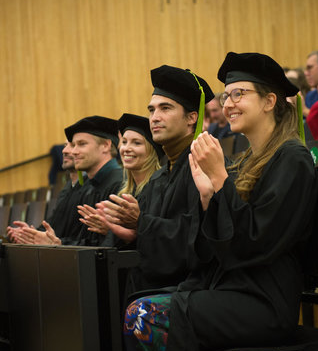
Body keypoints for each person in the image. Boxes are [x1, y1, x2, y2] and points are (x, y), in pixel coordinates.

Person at [123, 52, 318, 351]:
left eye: (239, 93)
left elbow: (255, 242)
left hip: (265, 301)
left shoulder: (292, 158)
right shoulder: (250, 160)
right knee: (138, 304)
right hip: (235, 289)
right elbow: (216, 245)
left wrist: (219, 181)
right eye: (226, 95)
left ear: (269, 101)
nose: (227, 104)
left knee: (144, 314)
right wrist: (207, 198)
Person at [97, 65, 215, 294]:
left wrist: (141, 223)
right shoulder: (160, 176)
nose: (154, 117)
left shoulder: (204, 166)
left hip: (191, 291)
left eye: (165, 108)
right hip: (157, 283)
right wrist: (130, 232)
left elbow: (197, 239)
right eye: (151, 110)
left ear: (192, 117)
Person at [14, 116, 123, 246]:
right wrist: (39, 237)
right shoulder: (88, 186)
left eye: (81, 144)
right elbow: (81, 238)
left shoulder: (120, 183)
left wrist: (58, 244)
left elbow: (107, 246)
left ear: (105, 145)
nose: (73, 152)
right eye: (73, 145)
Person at [77, 113, 163, 245]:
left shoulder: (159, 189)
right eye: (124, 142)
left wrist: (123, 235)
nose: (126, 148)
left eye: (137, 143)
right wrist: (112, 231)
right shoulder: (125, 193)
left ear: (152, 151)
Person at [6, 139, 82, 243]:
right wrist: (32, 233)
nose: (64, 150)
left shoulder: (89, 188)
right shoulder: (67, 188)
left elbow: (84, 238)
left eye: (72, 145)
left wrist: (57, 243)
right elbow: (55, 223)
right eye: (65, 145)